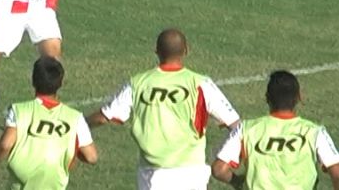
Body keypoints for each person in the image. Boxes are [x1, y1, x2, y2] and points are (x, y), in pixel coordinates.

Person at [86, 28, 240, 190]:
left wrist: (80, 125)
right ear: (186, 50)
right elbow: (236, 126)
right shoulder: (201, 83)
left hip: (153, 175)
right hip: (192, 173)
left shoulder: (138, 83)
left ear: (156, 51)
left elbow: (104, 116)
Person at [0, 56, 97, 189]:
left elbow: (5, 145)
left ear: (33, 81)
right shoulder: (75, 118)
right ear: (60, 83)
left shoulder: (19, 111)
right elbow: (91, 156)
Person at [212, 70, 339, 189]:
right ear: (299, 97)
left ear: (267, 98)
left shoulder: (246, 129)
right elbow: (337, 174)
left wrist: (238, 182)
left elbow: (219, 170)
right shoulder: (315, 132)